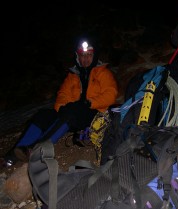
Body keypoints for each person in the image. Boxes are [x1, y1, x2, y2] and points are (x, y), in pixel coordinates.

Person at [1, 37, 118, 168]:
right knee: (43, 115)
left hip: (93, 114)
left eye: (89, 55)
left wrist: (89, 103)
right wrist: (62, 107)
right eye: (82, 55)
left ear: (94, 55)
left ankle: (37, 149)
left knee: (74, 109)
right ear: (77, 57)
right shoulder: (72, 76)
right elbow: (62, 95)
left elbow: (111, 95)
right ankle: (12, 155)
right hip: (71, 115)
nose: (85, 59)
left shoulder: (103, 73)